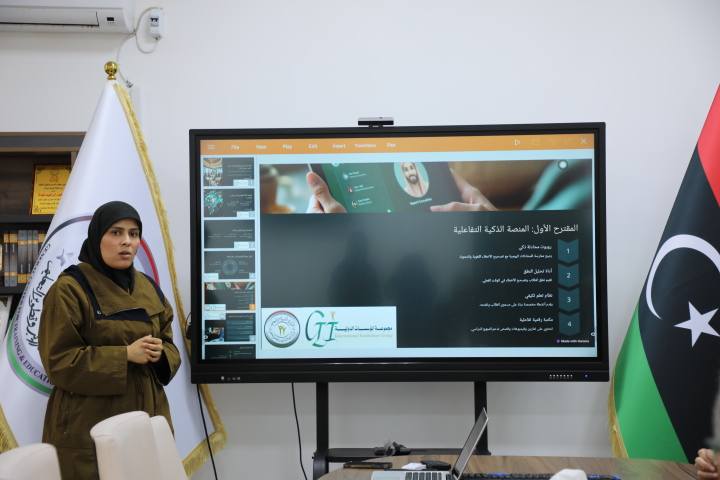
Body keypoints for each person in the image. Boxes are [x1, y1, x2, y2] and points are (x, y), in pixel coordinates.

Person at [38, 201, 181, 480]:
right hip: (88, 424)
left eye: (133, 234)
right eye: (116, 233)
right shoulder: (69, 289)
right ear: (97, 237)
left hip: (148, 418)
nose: (126, 242)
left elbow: (169, 344)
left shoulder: (149, 287)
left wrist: (160, 354)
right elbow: (59, 362)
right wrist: (124, 355)